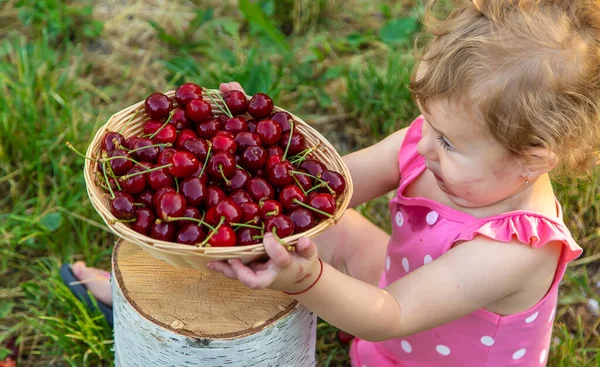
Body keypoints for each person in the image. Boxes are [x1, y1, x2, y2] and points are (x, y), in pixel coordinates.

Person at [67, 1, 600, 365]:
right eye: (429, 126)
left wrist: (305, 281)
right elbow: (328, 188)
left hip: (413, 335)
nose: (423, 146)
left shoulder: (515, 249)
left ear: (534, 159)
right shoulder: (435, 145)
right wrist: (246, 136)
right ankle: (146, 301)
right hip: (399, 288)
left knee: (300, 262)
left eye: (451, 143)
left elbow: (392, 317)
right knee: (312, 231)